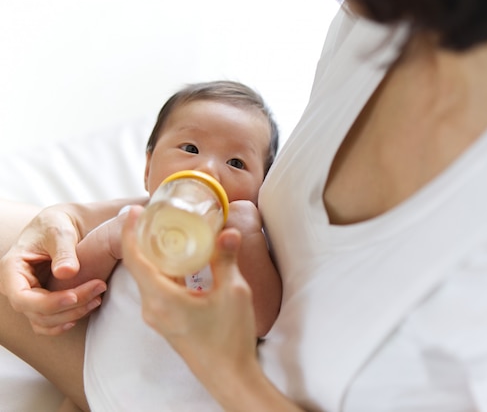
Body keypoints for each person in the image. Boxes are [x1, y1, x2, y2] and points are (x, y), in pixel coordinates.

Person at [2, 0, 487, 410]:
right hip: (125, 357)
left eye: (239, 163)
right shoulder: (378, 18)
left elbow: (264, 306)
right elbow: (134, 226)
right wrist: (71, 220)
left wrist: (225, 367)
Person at [2, 80, 283, 411]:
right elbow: (68, 296)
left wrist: (247, 238)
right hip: (93, 382)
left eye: (236, 163)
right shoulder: (129, 221)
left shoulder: (238, 243)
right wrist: (107, 243)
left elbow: (262, 320)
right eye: (190, 149)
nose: (207, 169)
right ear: (148, 168)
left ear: (261, 190)